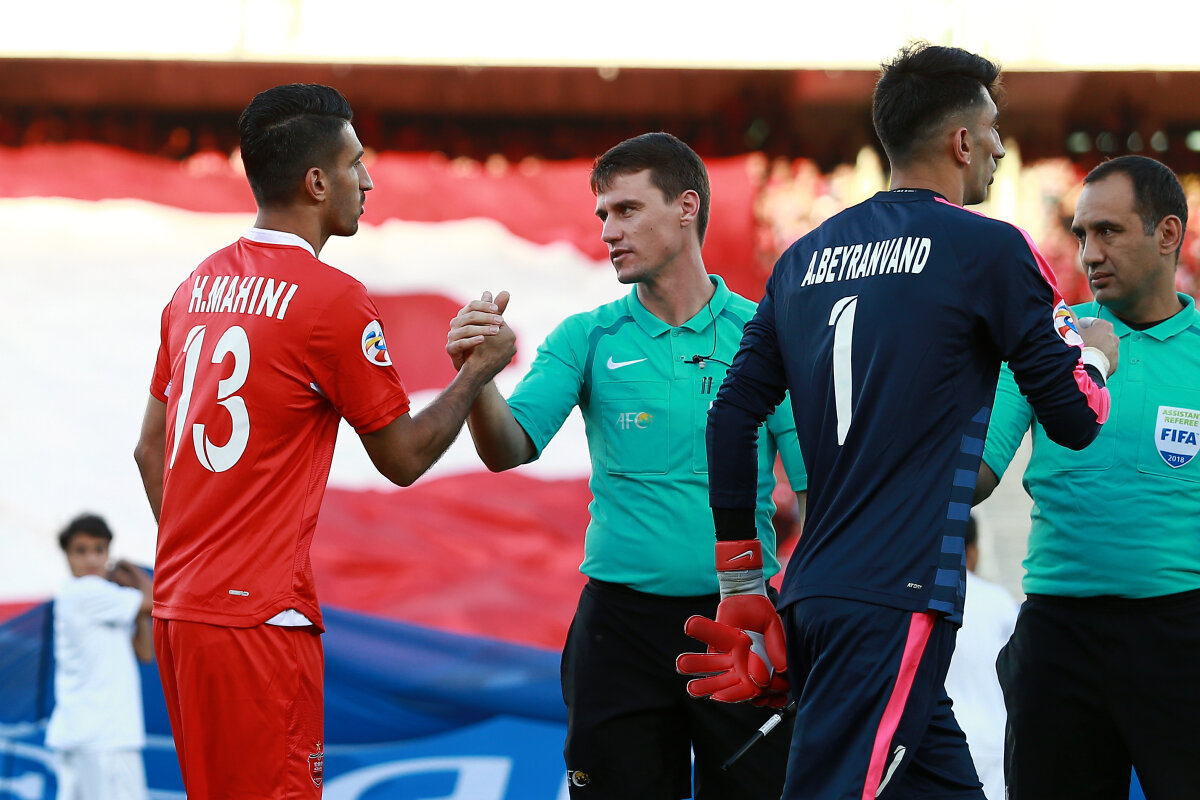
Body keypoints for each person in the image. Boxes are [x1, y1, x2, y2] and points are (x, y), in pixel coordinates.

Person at [682, 42, 1119, 800]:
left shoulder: (801, 258)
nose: (1000, 149)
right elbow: (1076, 416)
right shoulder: (989, 248)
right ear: (961, 141)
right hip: (896, 599)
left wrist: (741, 579)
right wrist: (1097, 359)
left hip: (816, 591)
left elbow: (729, 419)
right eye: (993, 131)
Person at [132, 83, 515, 799]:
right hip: (259, 622)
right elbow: (403, 458)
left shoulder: (193, 288)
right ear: (316, 182)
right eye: (354, 163)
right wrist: (475, 373)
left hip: (182, 609)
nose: (367, 181)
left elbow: (149, 451)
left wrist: (203, 564)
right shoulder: (331, 298)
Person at [446, 132, 808, 799]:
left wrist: (804, 622)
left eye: (627, 210)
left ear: (686, 207)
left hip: (739, 621)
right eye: (603, 215)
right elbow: (508, 448)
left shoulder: (767, 335)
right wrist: (478, 379)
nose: (609, 231)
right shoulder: (585, 337)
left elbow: (816, 496)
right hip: (618, 631)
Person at [975, 155, 1200, 800]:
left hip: (1180, 637)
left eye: (1108, 231)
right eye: (1081, 234)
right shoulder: (1049, 341)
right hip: (1058, 636)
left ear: (1167, 233)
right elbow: (976, 474)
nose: (1089, 252)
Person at [45, 513, 153, 800]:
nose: (91, 558)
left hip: (87, 736)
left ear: (107, 552)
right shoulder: (85, 591)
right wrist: (132, 570)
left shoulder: (103, 598)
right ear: (67, 556)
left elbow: (144, 653)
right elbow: (155, 601)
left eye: (99, 549)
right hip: (103, 737)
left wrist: (129, 594)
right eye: (81, 551)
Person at [943, 515, 1018, 800]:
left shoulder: (919, 600)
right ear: (972, 551)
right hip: (993, 742)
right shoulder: (999, 601)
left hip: (937, 741)